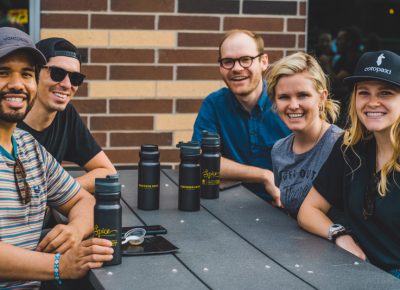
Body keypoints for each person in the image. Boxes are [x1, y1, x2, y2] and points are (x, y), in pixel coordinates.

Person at [0, 27, 113, 288]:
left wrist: (75, 229)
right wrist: (59, 265)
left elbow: (84, 200)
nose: (17, 84)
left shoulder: (28, 147)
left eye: (26, 74)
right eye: (3, 72)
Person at [298, 50, 400, 279]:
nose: (373, 102)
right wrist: (340, 235)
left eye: (385, 93)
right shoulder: (349, 148)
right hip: (355, 268)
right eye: (364, 93)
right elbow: (308, 210)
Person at [192, 29, 290, 204]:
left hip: (283, 208)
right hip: (230, 205)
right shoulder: (214, 104)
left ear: (263, 62)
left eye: (246, 60)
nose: (237, 69)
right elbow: (200, 159)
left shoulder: (286, 103)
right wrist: (264, 175)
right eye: (228, 61)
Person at [18, 37, 116, 193]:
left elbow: (107, 172)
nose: (67, 84)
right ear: (34, 72)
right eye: (57, 73)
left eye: (75, 78)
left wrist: (60, 190)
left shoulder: (66, 115)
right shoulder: (9, 119)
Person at [267, 52, 342, 217]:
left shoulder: (342, 145)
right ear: (275, 102)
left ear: (322, 98)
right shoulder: (279, 150)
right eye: (284, 97)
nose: (293, 105)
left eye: (303, 95)